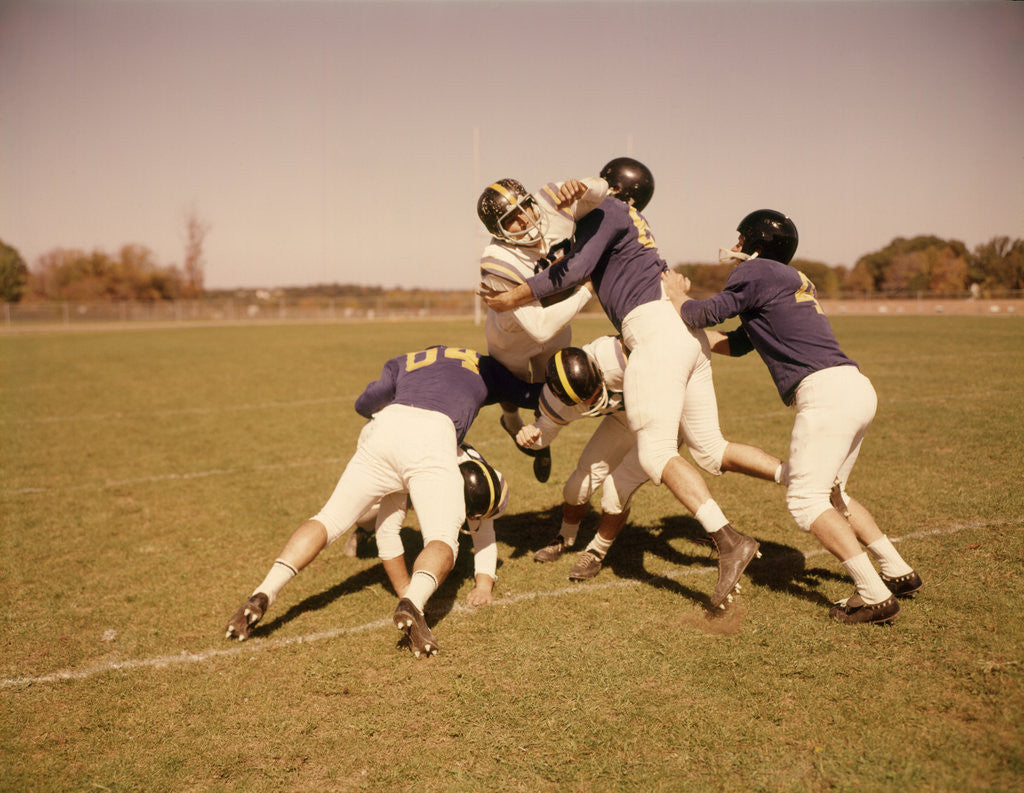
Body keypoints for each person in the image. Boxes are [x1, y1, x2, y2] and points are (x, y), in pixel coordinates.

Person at [479, 158, 762, 609]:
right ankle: (798, 478)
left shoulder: (607, 210)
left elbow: (574, 264)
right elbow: (587, 207)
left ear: (614, 188)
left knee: (655, 454)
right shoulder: (625, 217)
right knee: (709, 449)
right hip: (684, 337)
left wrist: (511, 296)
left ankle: (728, 540)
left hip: (653, 333)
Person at [662, 209, 922, 624]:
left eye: (741, 239)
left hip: (824, 393)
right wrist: (691, 342)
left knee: (805, 502)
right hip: (853, 385)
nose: (736, 246)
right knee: (835, 495)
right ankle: (897, 571)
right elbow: (742, 342)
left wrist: (676, 294)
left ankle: (873, 594)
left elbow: (702, 314)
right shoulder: (788, 279)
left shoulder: (757, 273)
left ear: (754, 243)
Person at [224, 344, 541, 657]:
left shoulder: (406, 360)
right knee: (443, 539)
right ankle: (414, 604)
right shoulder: (484, 367)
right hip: (433, 436)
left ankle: (263, 591)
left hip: (385, 428)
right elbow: (532, 394)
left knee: (329, 518)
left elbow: (364, 404)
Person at [519, 338, 784, 582]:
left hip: (664, 410)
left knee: (615, 489)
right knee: (577, 486)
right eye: (584, 399)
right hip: (623, 418)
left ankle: (597, 551)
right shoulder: (556, 401)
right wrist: (533, 435)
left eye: (594, 389)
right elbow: (545, 431)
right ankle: (565, 538)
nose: (592, 398)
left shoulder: (620, 356)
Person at [476, 173, 608, 482]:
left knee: (555, 383)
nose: (525, 219)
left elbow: (604, 192)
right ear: (498, 231)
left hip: (556, 317)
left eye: (526, 207)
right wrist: (587, 291)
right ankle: (510, 422)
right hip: (514, 334)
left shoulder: (551, 199)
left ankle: (540, 438)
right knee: (512, 388)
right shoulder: (497, 260)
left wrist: (585, 185)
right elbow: (538, 329)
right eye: (512, 219)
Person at [339, 444, 509, 606]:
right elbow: (387, 532)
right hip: (400, 464)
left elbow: (484, 538)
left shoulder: (477, 481)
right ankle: (365, 528)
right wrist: (407, 593)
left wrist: (483, 587)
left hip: (429, 477)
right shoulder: (431, 465)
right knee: (364, 513)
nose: (472, 520)